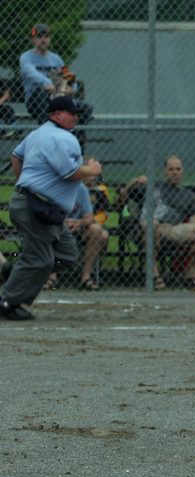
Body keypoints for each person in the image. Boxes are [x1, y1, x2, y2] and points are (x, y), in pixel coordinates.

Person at [1, 96, 102, 320]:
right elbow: (70, 173)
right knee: (40, 260)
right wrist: (91, 169)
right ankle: (7, 302)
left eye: (77, 113)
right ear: (55, 114)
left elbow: (16, 158)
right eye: (70, 112)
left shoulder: (38, 133)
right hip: (35, 207)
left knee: (66, 255)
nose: (75, 116)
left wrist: (24, 183)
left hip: (41, 207)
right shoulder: (61, 137)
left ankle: (14, 272)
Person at [19, 23, 92, 125]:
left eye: (47, 36)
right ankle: (45, 130)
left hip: (56, 98)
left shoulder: (56, 58)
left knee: (86, 108)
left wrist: (72, 88)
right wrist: (47, 83)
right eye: (39, 36)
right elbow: (31, 72)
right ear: (33, 40)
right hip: (35, 101)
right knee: (41, 92)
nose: (43, 39)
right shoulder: (26, 57)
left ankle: (75, 136)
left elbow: (68, 75)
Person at [150, 154, 195, 289]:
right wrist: (139, 180)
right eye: (171, 169)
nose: (175, 173)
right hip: (156, 225)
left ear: (182, 171)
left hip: (174, 229)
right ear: (165, 172)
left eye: (178, 169)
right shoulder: (156, 186)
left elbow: (194, 219)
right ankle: (154, 275)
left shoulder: (188, 195)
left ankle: (190, 273)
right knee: (151, 226)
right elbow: (131, 189)